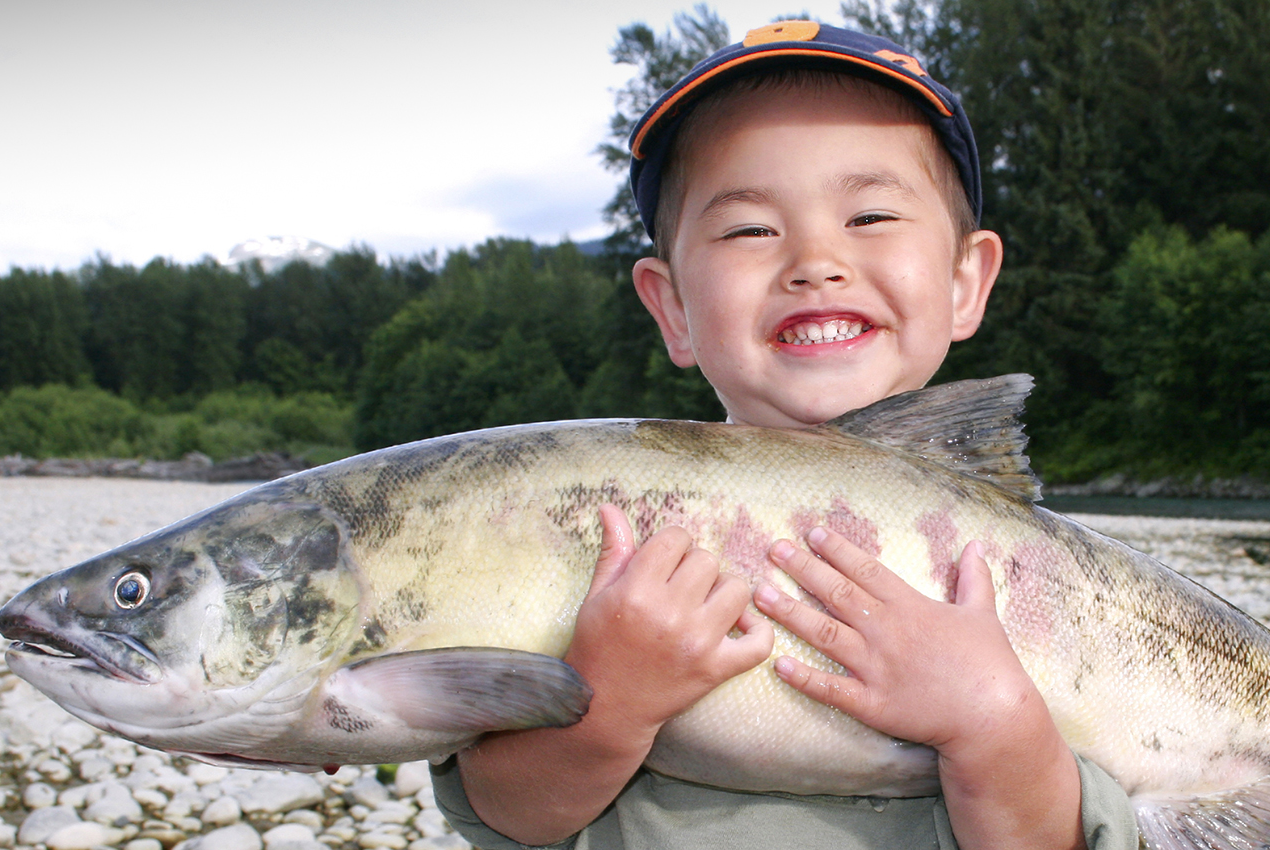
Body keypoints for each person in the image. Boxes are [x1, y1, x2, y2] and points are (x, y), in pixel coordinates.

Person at [428, 21, 1136, 850]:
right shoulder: (597, 542)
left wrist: (995, 722)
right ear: (673, 309)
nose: (815, 258)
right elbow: (511, 816)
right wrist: (606, 701)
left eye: (870, 214)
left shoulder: (1069, 591)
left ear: (964, 282)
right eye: (749, 230)